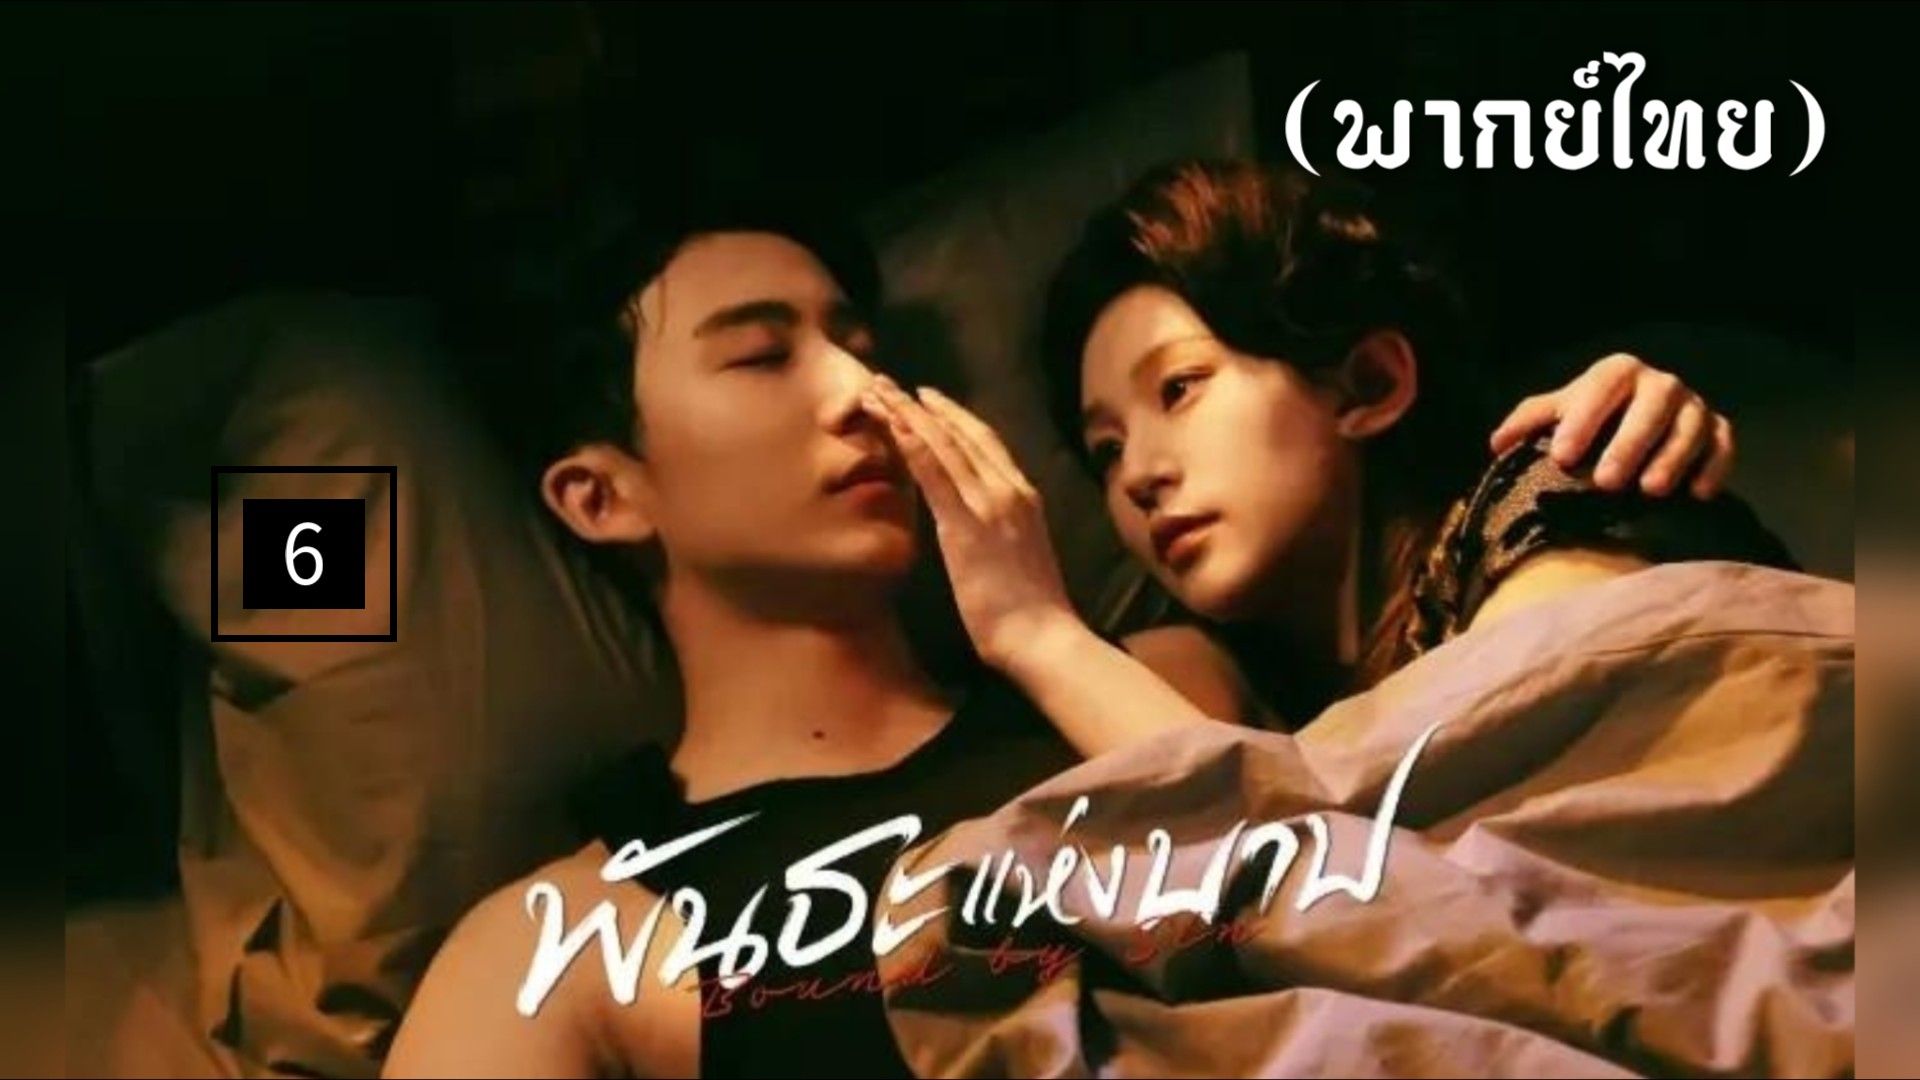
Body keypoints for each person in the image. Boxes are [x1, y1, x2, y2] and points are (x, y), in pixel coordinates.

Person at [383, 193, 1733, 1078]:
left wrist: (1596, 472)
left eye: (860, 344)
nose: (863, 391)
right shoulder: (563, 936)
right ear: (602, 496)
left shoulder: (1158, 677)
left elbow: (1437, 917)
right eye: (763, 354)